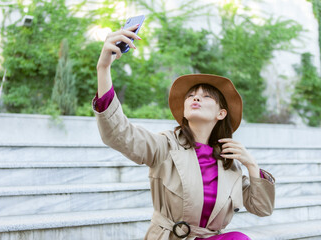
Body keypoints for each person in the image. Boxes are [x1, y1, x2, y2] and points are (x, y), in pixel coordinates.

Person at [93, 24, 275, 240]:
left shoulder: (229, 164)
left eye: (207, 96)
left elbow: (262, 208)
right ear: (185, 111)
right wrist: (103, 69)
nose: (196, 98)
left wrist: (251, 165)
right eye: (191, 96)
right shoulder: (165, 145)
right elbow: (119, 134)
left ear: (221, 113)